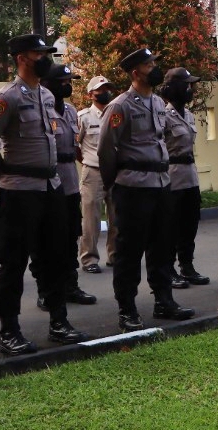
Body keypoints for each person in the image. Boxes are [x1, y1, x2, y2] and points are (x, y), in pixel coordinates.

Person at [0, 34, 84, 355]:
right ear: (22, 58)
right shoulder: (6, 98)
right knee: (13, 262)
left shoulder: (47, 96)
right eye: (39, 54)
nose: (45, 59)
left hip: (51, 187)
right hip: (20, 191)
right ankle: (9, 331)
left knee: (55, 257)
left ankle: (59, 321)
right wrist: (4, 178)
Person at [99, 48, 195, 331]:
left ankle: (164, 301)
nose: (154, 68)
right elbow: (106, 150)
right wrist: (112, 184)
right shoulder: (120, 106)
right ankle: (127, 309)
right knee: (129, 251)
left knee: (162, 246)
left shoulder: (157, 103)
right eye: (148, 65)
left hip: (161, 184)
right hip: (133, 187)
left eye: (154, 63)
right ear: (135, 73)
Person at [40, 64, 97, 309]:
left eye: (69, 81)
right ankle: (46, 290)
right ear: (47, 84)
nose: (67, 85)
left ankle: (70, 285)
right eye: (62, 81)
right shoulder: (41, 110)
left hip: (70, 182)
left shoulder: (72, 111)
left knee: (70, 236)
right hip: (48, 184)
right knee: (47, 240)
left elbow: (76, 147)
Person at [161, 67, 209, 288]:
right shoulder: (163, 116)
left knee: (190, 225)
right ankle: (168, 270)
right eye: (186, 85)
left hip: (190, 176)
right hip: (172, 177)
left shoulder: (188, 114)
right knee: (170, 227)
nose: (190, 89)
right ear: (174, 88)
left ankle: (187, 267)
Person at [76, 76, 116, 274]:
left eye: (107, 89)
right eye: (100, 90)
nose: (104, 93)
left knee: (117, 217)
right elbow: (75, 146)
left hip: (115, 172)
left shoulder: (116, 114)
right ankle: (89, 258)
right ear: (90, 94)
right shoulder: (83, 117)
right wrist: (87, 161)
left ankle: (115, 255)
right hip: (93, 172)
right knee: (91, 219)